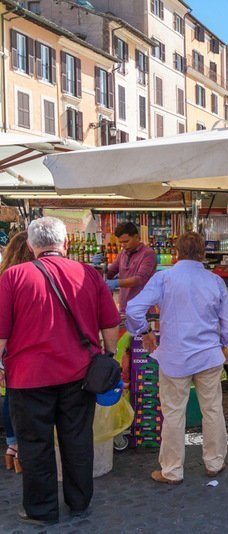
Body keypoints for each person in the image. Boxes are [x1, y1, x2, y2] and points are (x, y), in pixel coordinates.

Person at [0, 217, 119, 526]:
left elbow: (0, 334)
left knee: (35, 444)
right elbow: (110, 322)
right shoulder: (88, 274)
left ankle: (41, 510)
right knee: (78, 440)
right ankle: (80, 504)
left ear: (30, 244)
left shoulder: (13, 276)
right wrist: (108, 354)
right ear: (65, 243)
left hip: (27, 378)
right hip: (79, 374)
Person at [126, 232, 228, 485]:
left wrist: (144, 332)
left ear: (176, 252)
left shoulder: (164, 278)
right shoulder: (214, 281)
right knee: (212, 409)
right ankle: (214, 462)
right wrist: (224, 343)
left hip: (175, 356)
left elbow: (133, 308)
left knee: (174, 413)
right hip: (208, 355)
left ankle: (172, 470)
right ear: (202, 253)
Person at [0, 232, 35, 474]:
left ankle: (12, 446)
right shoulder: (31, 278)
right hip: (28, 348)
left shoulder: (4, 277)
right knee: (29, 400)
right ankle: (25, 448)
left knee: (10, 396)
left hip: (7, 350)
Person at [106, 222, 157, 314]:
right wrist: (100, 268)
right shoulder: (122, 253)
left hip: (143, 310)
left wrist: (117, 283)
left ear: (136, 237)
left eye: (126, 241)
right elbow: (110, 272)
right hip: (124, 307)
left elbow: (140, 279)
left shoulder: (148, 254)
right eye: (121, 242)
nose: (123, 245)